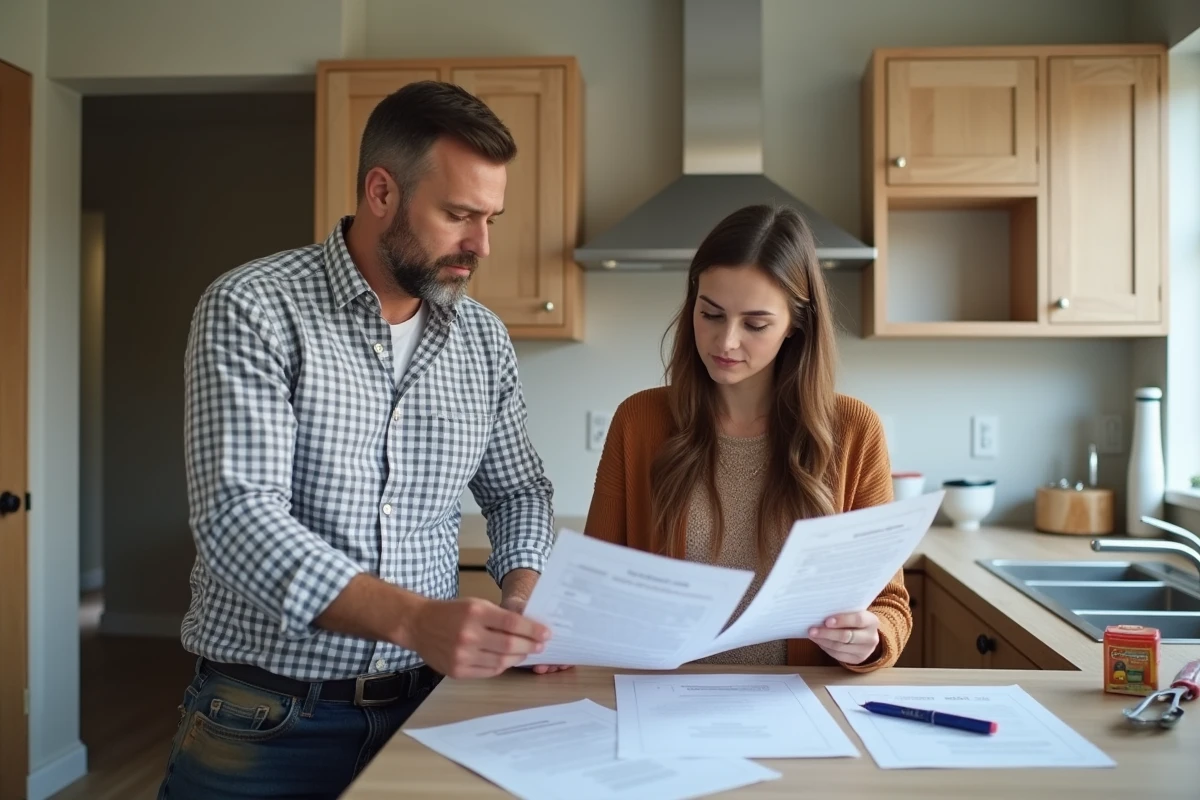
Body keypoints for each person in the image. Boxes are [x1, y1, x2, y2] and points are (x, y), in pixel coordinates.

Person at [157, 80, 567, 800]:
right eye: (458, 215)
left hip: (427, 707)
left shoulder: (482, 339)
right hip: (267, 719)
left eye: (490, 218)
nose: (481, 245)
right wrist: (416, 620)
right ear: (382, 191)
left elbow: (518, 491)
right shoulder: (254, 307)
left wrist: (523, 591)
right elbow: (238, 518)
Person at [584, 204, 911, 670]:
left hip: (797, 699)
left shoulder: (855, 431)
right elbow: (594, 585)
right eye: (711, 314)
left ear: (796, 324)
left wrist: (871, 638)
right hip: (661, 695)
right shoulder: (639, 421)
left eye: (755, 324)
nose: (726, 342)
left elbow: (889, 605)